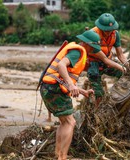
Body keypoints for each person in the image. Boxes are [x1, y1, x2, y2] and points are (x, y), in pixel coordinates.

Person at [40, 30, 100, 160]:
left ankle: (58, 154)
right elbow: (61, 66)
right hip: (54, 89)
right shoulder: (77, 51)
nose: (92, 51)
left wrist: (82, 91)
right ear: (87, 44)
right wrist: (72, 85)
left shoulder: (76, 50)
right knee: (70, 122)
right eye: (93, 48)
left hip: (48, 88)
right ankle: (63, 157)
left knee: (64, 122)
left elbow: (63, 77)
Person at [88, 13, 128, 106]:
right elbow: (105, 59)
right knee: (99, 93)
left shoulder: (115, 34)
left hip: (107, 61)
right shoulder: (93, 35)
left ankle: (120, 100)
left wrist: (127, 66)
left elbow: (120, 55)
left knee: (125, 75)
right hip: (94, 63)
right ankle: (97, 111)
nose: (109, 32)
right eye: (106, 30)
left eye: (111, 30)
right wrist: (121, 67)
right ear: (101, 28)